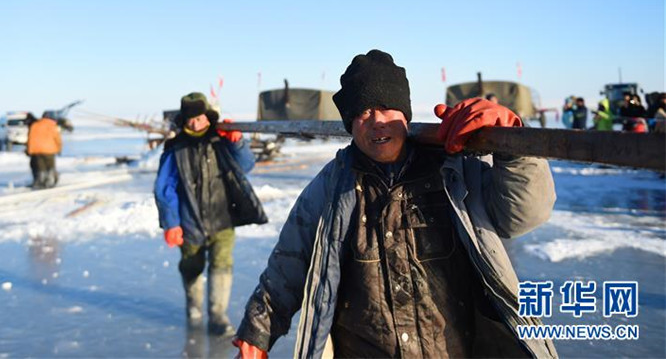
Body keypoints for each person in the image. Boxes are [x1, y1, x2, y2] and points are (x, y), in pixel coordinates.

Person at [233, 50, 558, 359]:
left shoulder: (454, 173)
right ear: (349, 125)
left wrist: (513, 148)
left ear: (406, 114)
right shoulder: (332, 187)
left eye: (388, 108)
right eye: (362, 112)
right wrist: (257, 331)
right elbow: (289, 262)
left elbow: (522, 215)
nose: (377, 121)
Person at [154, 92, 267, 337]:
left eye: (199, 118)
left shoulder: (220, 140)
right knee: (191, 266)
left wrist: (237, 143)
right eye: (190, 119)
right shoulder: (176, 147)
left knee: (221, 266)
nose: (195, 123)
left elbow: (246, 165)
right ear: (184, 120)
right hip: (189, 222)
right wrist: (171, 222)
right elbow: (165, 187)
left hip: (222, 218)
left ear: (207, 117)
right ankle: (193, 306)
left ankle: (217, 316)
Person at [26, 111, 62, 189]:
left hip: (37, 150)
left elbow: (30, 138)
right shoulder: (52, 126)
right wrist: (59, 148)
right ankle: (50, 182)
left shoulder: (35, 124)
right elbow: (57, 139)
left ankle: (39, 182)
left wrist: (30, 150)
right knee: (50, 167)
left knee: (40, 168)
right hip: (49, 150)